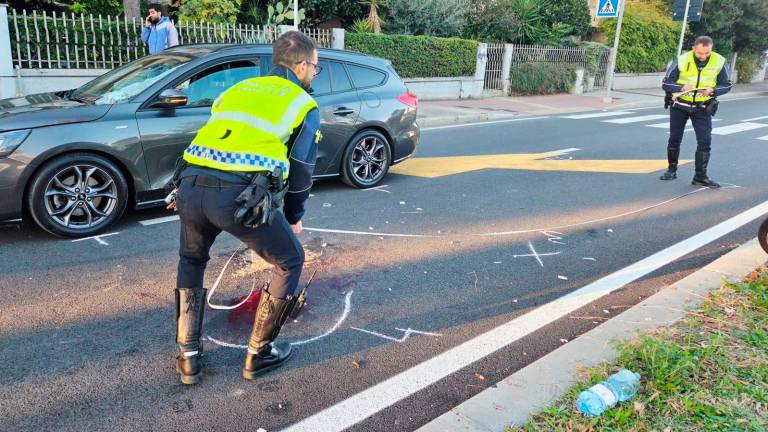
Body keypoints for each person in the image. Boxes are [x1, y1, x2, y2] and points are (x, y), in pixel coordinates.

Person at [172, 31, 322, 385]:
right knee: (290, 259)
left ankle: (188, 357)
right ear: (301, 66)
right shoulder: (302, 103)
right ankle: (259, 353)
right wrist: (294, 217)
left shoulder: (236, 90)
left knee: (191, 260)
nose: (315, 74)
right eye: (316, 68)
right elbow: (301, 170)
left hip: (190, 186)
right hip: (240, 197)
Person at [660, 35, 732, 188]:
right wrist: (681, 88)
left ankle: (700, 176)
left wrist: (713, 91)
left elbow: (727, 85)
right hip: (679, 105)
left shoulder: (719, 61)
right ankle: (671, 170)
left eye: (707, 53)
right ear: (694, 48)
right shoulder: (681, 60)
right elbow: (666, 83)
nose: (703, 56)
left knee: (705, 141)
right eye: (700, 53)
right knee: (674, 139)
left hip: (702, 108)